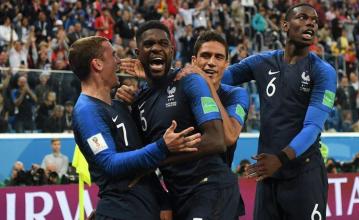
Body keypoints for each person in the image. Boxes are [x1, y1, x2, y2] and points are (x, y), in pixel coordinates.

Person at [221, 3, 337, 219]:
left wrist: (281, 158)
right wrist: (175, 75)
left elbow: (312, 128)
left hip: (304, 175)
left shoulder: (323, 71)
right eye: (302, 17)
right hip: (269, 175)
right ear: (285, 25)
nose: (311, 22)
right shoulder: (262, 62)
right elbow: (220, 77)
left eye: (314, 20)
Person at [119, 30, 250, 219]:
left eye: (219, 57)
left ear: (226, 64)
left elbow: (228, 138)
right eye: (205, 56)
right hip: (179, 192)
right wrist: (148, 82)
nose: (211, 62)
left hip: (213, 188)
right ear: (194, 61)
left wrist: (204, 82)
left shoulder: (235, 95)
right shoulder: (182, 86)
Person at [69, 36, 201, 220]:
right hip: (121, 210)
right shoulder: (87, 112)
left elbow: (141, 161)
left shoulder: (119, 105)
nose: (118, 61)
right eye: (113, 55)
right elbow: (110, 164)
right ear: (97, 64)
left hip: (145, 208)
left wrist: (163, 201)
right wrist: (163, 146)